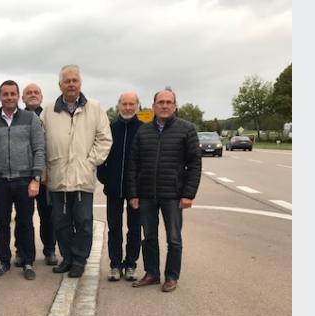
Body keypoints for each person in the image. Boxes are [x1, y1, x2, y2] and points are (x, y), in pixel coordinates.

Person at [126, 88, 201, 292]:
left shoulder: (187, 129)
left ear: (175, 106)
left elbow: (195, 164)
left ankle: (171, 276)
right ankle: (152, 273)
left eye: (169, 102)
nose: (165, 105)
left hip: (173, 196)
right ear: (153, 106)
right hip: (146, 195)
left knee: (174, 239)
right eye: (161, 102)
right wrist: (133, 194)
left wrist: (188, 194)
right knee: (149, 236)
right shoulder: (143, 131)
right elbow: (133, 164)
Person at [40, 64, 112, 278]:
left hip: (82, 177)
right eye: (67, 81)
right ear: (59, 84)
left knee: (83, 222)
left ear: (80, 83)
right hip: (57, 177)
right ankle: (67, 258)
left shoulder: (95, 108)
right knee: (61, 223)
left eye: (75, 80)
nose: (71, 84)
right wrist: (44, 171)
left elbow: (104, 139)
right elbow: (40, 144)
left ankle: (79, 260)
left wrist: (90, 162)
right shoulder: (48, 111)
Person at [0, 80, 46, 281]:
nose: (9, 97)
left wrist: (36, 178)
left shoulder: (30, 119)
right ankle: (3, 261)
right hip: (0, 181)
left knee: (25, 222)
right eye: (5, 94)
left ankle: (27, 261)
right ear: (0, 96)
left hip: (25, 180)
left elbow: (39, 149)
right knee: (1, 223)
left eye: (12, 94)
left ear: (18, 96)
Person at [98, 91, 144, 282]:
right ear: (118, 106)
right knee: (114, 228)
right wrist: (105, 179)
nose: (127, 107)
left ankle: (131, 264)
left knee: (134, 228)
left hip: (137, 190)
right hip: (114, 188)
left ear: (137, 106)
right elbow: (101, 156)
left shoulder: (143, 129)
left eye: (131, 104)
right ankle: (115, 265)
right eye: (124, 104)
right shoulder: (110, 129)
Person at [17, 82, 58, 267]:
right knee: (22, 217)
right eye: (29, 93)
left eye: (36, 92)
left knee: (48, 215)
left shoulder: (50, 115)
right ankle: (21, 251)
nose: (33, 95)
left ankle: (49, 250)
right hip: (23, 175)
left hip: (45, 175)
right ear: (22, 98)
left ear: (41, 96)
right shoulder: (17, 117)